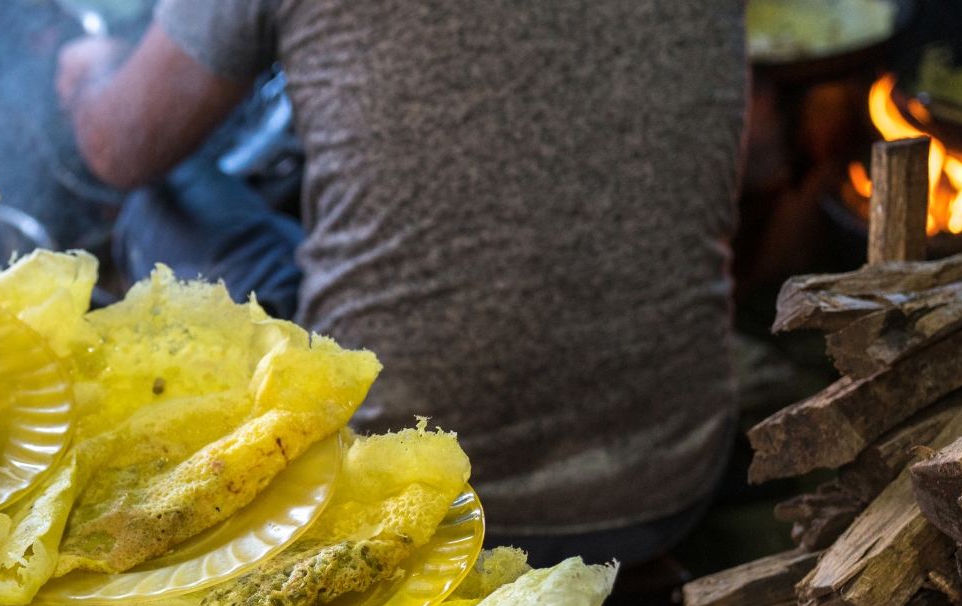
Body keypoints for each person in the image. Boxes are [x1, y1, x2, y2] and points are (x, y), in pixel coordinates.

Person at [56, 1, 747, 568]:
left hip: (403, 489)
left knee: (159, 198)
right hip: (673, 464)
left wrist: (90, 71)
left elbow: (121, 145)